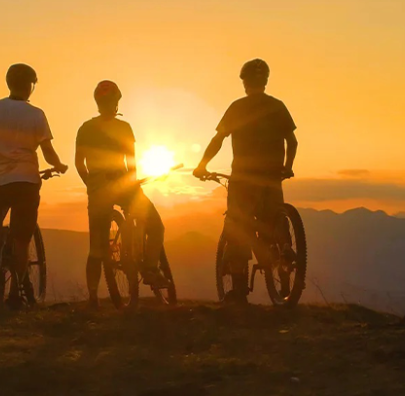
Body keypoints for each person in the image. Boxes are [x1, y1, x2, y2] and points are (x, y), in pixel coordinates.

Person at [192, 59, 298, 304]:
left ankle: (239, 291)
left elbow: (218, 139)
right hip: (272, 177)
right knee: (274, 219)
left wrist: (202, 164)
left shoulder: (237, 108)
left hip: (244, 178)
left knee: (238, 227)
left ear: (244, 82)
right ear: (265, 81)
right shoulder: (278, 106)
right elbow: (292, 142)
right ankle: (283, 251)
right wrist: (287, 167)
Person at [0, 63, 68, 310]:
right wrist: (60, 165)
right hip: (26, 182)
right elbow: (48, 152)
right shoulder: (36, 114)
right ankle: (14, 294)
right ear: (30, 85)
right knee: (22, 240)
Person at [74, 81, 169, 308]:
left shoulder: (86, 128)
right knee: (156, 226)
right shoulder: (124, 127)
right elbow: (131, 163)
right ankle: (150, 269)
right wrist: (134, 186)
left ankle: (93, 298)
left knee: (96, 247)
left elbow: (79, 163)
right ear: (116, 102)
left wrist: (91, 185)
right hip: (124, 184)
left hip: (98, 187)